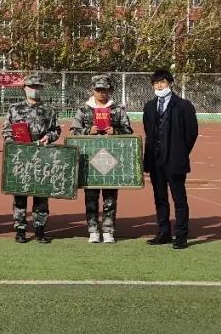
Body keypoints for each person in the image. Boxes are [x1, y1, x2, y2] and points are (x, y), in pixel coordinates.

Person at [70, 73, 133, 244]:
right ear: (93, 90)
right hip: (90, 159)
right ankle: (92, 230)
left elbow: (128, 131)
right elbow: (73, 132)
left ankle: (108, 230)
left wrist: (116, 131)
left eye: (104, 90)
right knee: (91, 196)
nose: (101, 93)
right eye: (98, 89)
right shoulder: (84, 109)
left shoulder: (118, 109)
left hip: (112, 159)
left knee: (110, 197)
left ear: (110, 90)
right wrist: (87, 131)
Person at [142, 68, 199, 249]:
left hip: (175, 160)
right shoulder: (149, 106)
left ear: (170, 83)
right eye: (156, 83)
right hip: (155, 160)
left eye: (162, 82)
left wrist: (180, 152)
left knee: (179, 199)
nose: (159, 86)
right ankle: (163, 232)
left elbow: (191, 133)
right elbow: (148, 132)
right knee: (160, 198)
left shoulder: (183, 105)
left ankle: (181, 235)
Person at [1, 73, 61, 244]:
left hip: (42, 155)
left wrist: (49, 137)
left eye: (38, 87)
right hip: (21, 155)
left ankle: (40, 229)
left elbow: (56, 130)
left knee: (41, 192)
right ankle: (20, 230)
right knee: (20, 193)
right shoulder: (14, 109)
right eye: (31, 86)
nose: (34, 90)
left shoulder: (49, 110)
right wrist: (13, 142)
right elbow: (6, 130)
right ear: (25, 88)